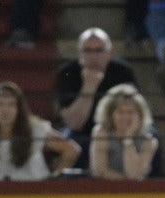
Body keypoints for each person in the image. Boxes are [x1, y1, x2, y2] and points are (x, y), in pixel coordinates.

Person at [55, 28, 137, 169]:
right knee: (70, 139)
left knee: (149, 136)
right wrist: (90, 85)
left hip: (116, 128)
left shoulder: (123, 72)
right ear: (79, 53)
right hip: (81, 130)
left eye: (99, 50)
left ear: (110, 53)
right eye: (87, 50)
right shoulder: (67, 73)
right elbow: (74, 123)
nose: (93, 56)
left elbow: (134, 114)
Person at [0, 80, 75, 180]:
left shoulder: (35, 128)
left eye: (11, 105)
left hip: (37, 192)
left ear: (19, 109)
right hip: (3, 195)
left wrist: (54, 182)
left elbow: (71, 149)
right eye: (0, 104)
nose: (5, 110)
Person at [87, 82, 159, 180]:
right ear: (110, 114)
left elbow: (134, 175)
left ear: (140, 115)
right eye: (120, 112)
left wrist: (128, 139)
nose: (125, 117)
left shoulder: (149, 142)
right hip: (104, 189)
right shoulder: (100, 133)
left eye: (130, 112)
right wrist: (124, 183)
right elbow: (99, 170)